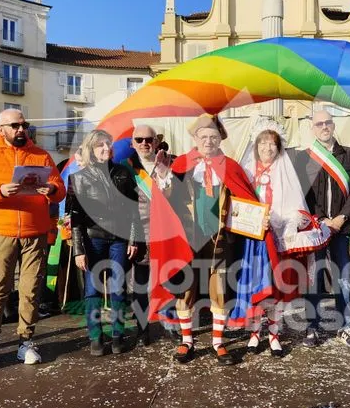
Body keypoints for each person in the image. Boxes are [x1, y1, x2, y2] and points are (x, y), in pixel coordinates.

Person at [150, 114, 268, 365]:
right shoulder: (182, 163)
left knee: (220, 289)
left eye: (213, 137)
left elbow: (247, 200)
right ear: (194, 138)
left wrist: (259, 220)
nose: (208, 141)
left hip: (220, 239)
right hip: (188, 239)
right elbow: (168, 196)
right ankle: (187, 341)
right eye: (204, 136)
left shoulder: (231, 166)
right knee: (186, 288)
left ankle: (217, 342)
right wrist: (162, 172)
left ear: (221, 139)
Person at [0, 109, 66, 368]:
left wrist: (52, 189)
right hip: (1, 233)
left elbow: (60, 189)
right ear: (1, 130)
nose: (21, 129)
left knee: (31, 290)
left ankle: (26, 342)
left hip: (35, 233)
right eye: (15, 126)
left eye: (24, 125)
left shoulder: (41, 155)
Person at [238, 118, 331, 357]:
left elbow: (296, 207)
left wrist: (286, 225)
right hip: (252, 240)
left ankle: (275, 334)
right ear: (255, 146)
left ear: (279, 147)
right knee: (254, 287)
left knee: (275, 289)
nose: (267, 148)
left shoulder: (284, 171)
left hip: (275, 239)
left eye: (272, 144)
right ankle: (254, 332)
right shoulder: (246, 171)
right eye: (263, 144)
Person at [68, 129, 141, 356]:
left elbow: (134, 210)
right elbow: (76, 218)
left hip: (119, 239)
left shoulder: (123, 173)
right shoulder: (78, 178)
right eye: (100, 145)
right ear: (91, 148)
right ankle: (96, 338)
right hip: (92, 239)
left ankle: (118, 336)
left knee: (118, 287)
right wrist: (79, 251)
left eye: (108, 144)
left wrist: (133, 238)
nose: (106, 148)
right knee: (92, 290)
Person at [295, 109, 350, 348]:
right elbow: (302, 193)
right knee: (313, 279)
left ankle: (346, 327)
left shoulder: (349, 155)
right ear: (312, 128)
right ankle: (312, 328)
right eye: (319, 124)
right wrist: (320, 219)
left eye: (328, 123)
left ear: (333, 126)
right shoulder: (304, 157)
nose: (324, 127)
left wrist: (342, 217)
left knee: (343, 278)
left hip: (341, 228)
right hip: (315, 228)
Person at [124, 124, 172, 346]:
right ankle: (142, 328)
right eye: (140, 139)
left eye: (149, 139)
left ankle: (172, 324)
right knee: (139, 283)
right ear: (133, 143)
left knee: (171, 279)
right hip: (140, 232)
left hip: (168, 233)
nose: (145, 143)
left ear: (156, 141)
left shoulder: (170, 164)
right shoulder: (126, 168)